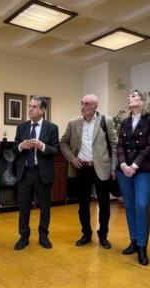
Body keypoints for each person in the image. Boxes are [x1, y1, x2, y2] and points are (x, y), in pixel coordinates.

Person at [60, 94, 117, 249]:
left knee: (104, 204)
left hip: (101, 168)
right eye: (82, 103)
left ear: (95, 106)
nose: (83, 107)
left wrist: (113, 167)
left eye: (87, 104)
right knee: (83, 204)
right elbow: (63, 142)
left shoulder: (106, 121)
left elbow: (114, 145)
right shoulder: (73, 123)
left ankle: (103, 235)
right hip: (81, 168)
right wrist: (72, 158)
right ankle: (86, 233)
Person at [116, 89, 150, 265]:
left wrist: (134, 166)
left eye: (133, 96)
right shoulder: (125, 122)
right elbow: (119, 146)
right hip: (124, 169)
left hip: (144, 169)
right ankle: (133, 241)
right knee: (129, 206)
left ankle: (143, 246)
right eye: (129, 96)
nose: (129, 98)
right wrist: (122, 165)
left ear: (143, 100)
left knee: (141, 206)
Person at [13, 96, 59, 250]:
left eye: (34, 107)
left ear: (42, 110)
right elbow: (14, 148)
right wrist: (20, 146)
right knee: (24, 207)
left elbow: (55, 150)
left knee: (44, 207)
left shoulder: (52, 128)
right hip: (25, 173)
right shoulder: (22, 127)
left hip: (42, 173)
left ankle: (43, 236)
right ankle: (23, 237)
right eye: (30, 106)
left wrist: (42, 146)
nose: (30, 109)